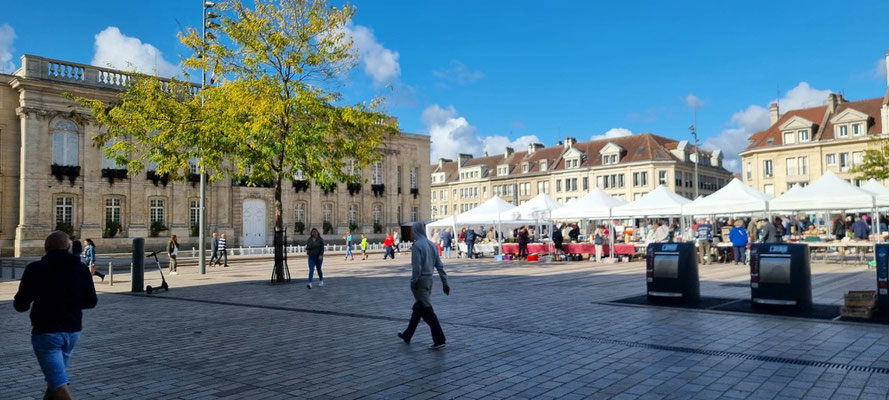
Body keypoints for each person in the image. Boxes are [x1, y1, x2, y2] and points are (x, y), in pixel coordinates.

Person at [14, 231, 98, 400]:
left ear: (46, 248)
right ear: (68, 247)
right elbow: (91, 302)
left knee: (58, 383)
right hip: (73, 331)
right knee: (55, 381)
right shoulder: (81, 268)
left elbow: (20, 305)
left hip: (47, 332)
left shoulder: (35, 269)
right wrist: (70, 303)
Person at [397, 221, 450, 350]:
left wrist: (413, 281)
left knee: (427, 310)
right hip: (429, 280)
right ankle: (407, 334)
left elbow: (417, 267)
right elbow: (439, 266)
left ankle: (439, 339)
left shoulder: (417, 246)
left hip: (420, 281)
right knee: (418, 308)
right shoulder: (432, 245)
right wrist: (445, 282)